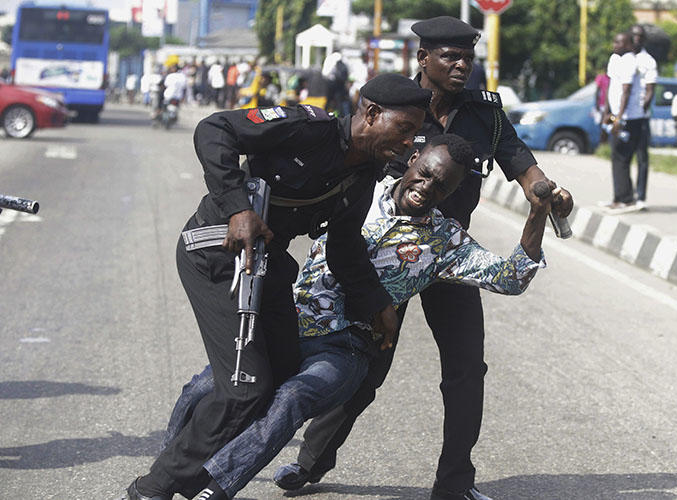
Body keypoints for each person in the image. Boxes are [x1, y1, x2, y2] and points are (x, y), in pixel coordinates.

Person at [275, 16, 573, 500]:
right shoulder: (398, 106)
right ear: (423, 59)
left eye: (467, 58)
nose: (461, 66)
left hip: (451, 259)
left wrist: (547, 193)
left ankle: (454, 482)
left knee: (465, 369)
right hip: (391, 259)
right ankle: (311, 462)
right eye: (450, 57)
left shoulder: (486, 115)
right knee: (366, 366)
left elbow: (522, 163)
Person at [158, 133, 552, 500]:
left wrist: (537, 212)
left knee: (291, 398)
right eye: (426, 174)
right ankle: (167, 472)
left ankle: (215, 487)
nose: (427, 187)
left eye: (442, 186)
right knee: (203, 388)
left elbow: (511, 277)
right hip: (285, 324)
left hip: (345, 350)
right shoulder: (357, 191)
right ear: (412, 160)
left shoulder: (445, 240)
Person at [116, 73, 431, 500]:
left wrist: (378, 304)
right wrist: (237, 207)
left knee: (281, 372)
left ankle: (186, 473)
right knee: (245, 386)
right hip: (219, 253)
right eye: (405, 129)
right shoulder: (307, 128)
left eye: (416, 133)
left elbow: (344, 249)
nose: (411, 142)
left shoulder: (362, 176)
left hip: (266, 263)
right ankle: (154, 488)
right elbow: (214, 129)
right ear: (372, 114)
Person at [602, 32, 644, 213]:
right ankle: (618, 197)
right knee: (616, 156)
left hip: (629, 117)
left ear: (628, 44)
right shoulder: (614, 59)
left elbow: (626, 91)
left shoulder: (629, 61)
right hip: (615, 114)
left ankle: (626, 199)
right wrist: (606, 111)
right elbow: (611, 88)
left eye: (620, 42)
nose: (615, 44)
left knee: (622, 156)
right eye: (614, 41)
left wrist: (619, 117)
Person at [630, 24, 658, 208]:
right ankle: (624, 195)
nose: (636, 39)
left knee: (642, 157)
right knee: (622, 159)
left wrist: (642, 110)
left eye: (640, 36)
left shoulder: (648, 61)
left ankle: (640, 196)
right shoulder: (624, 58)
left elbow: (650, 90)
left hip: (640, 117)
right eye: (634, 35)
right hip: (624, 116)